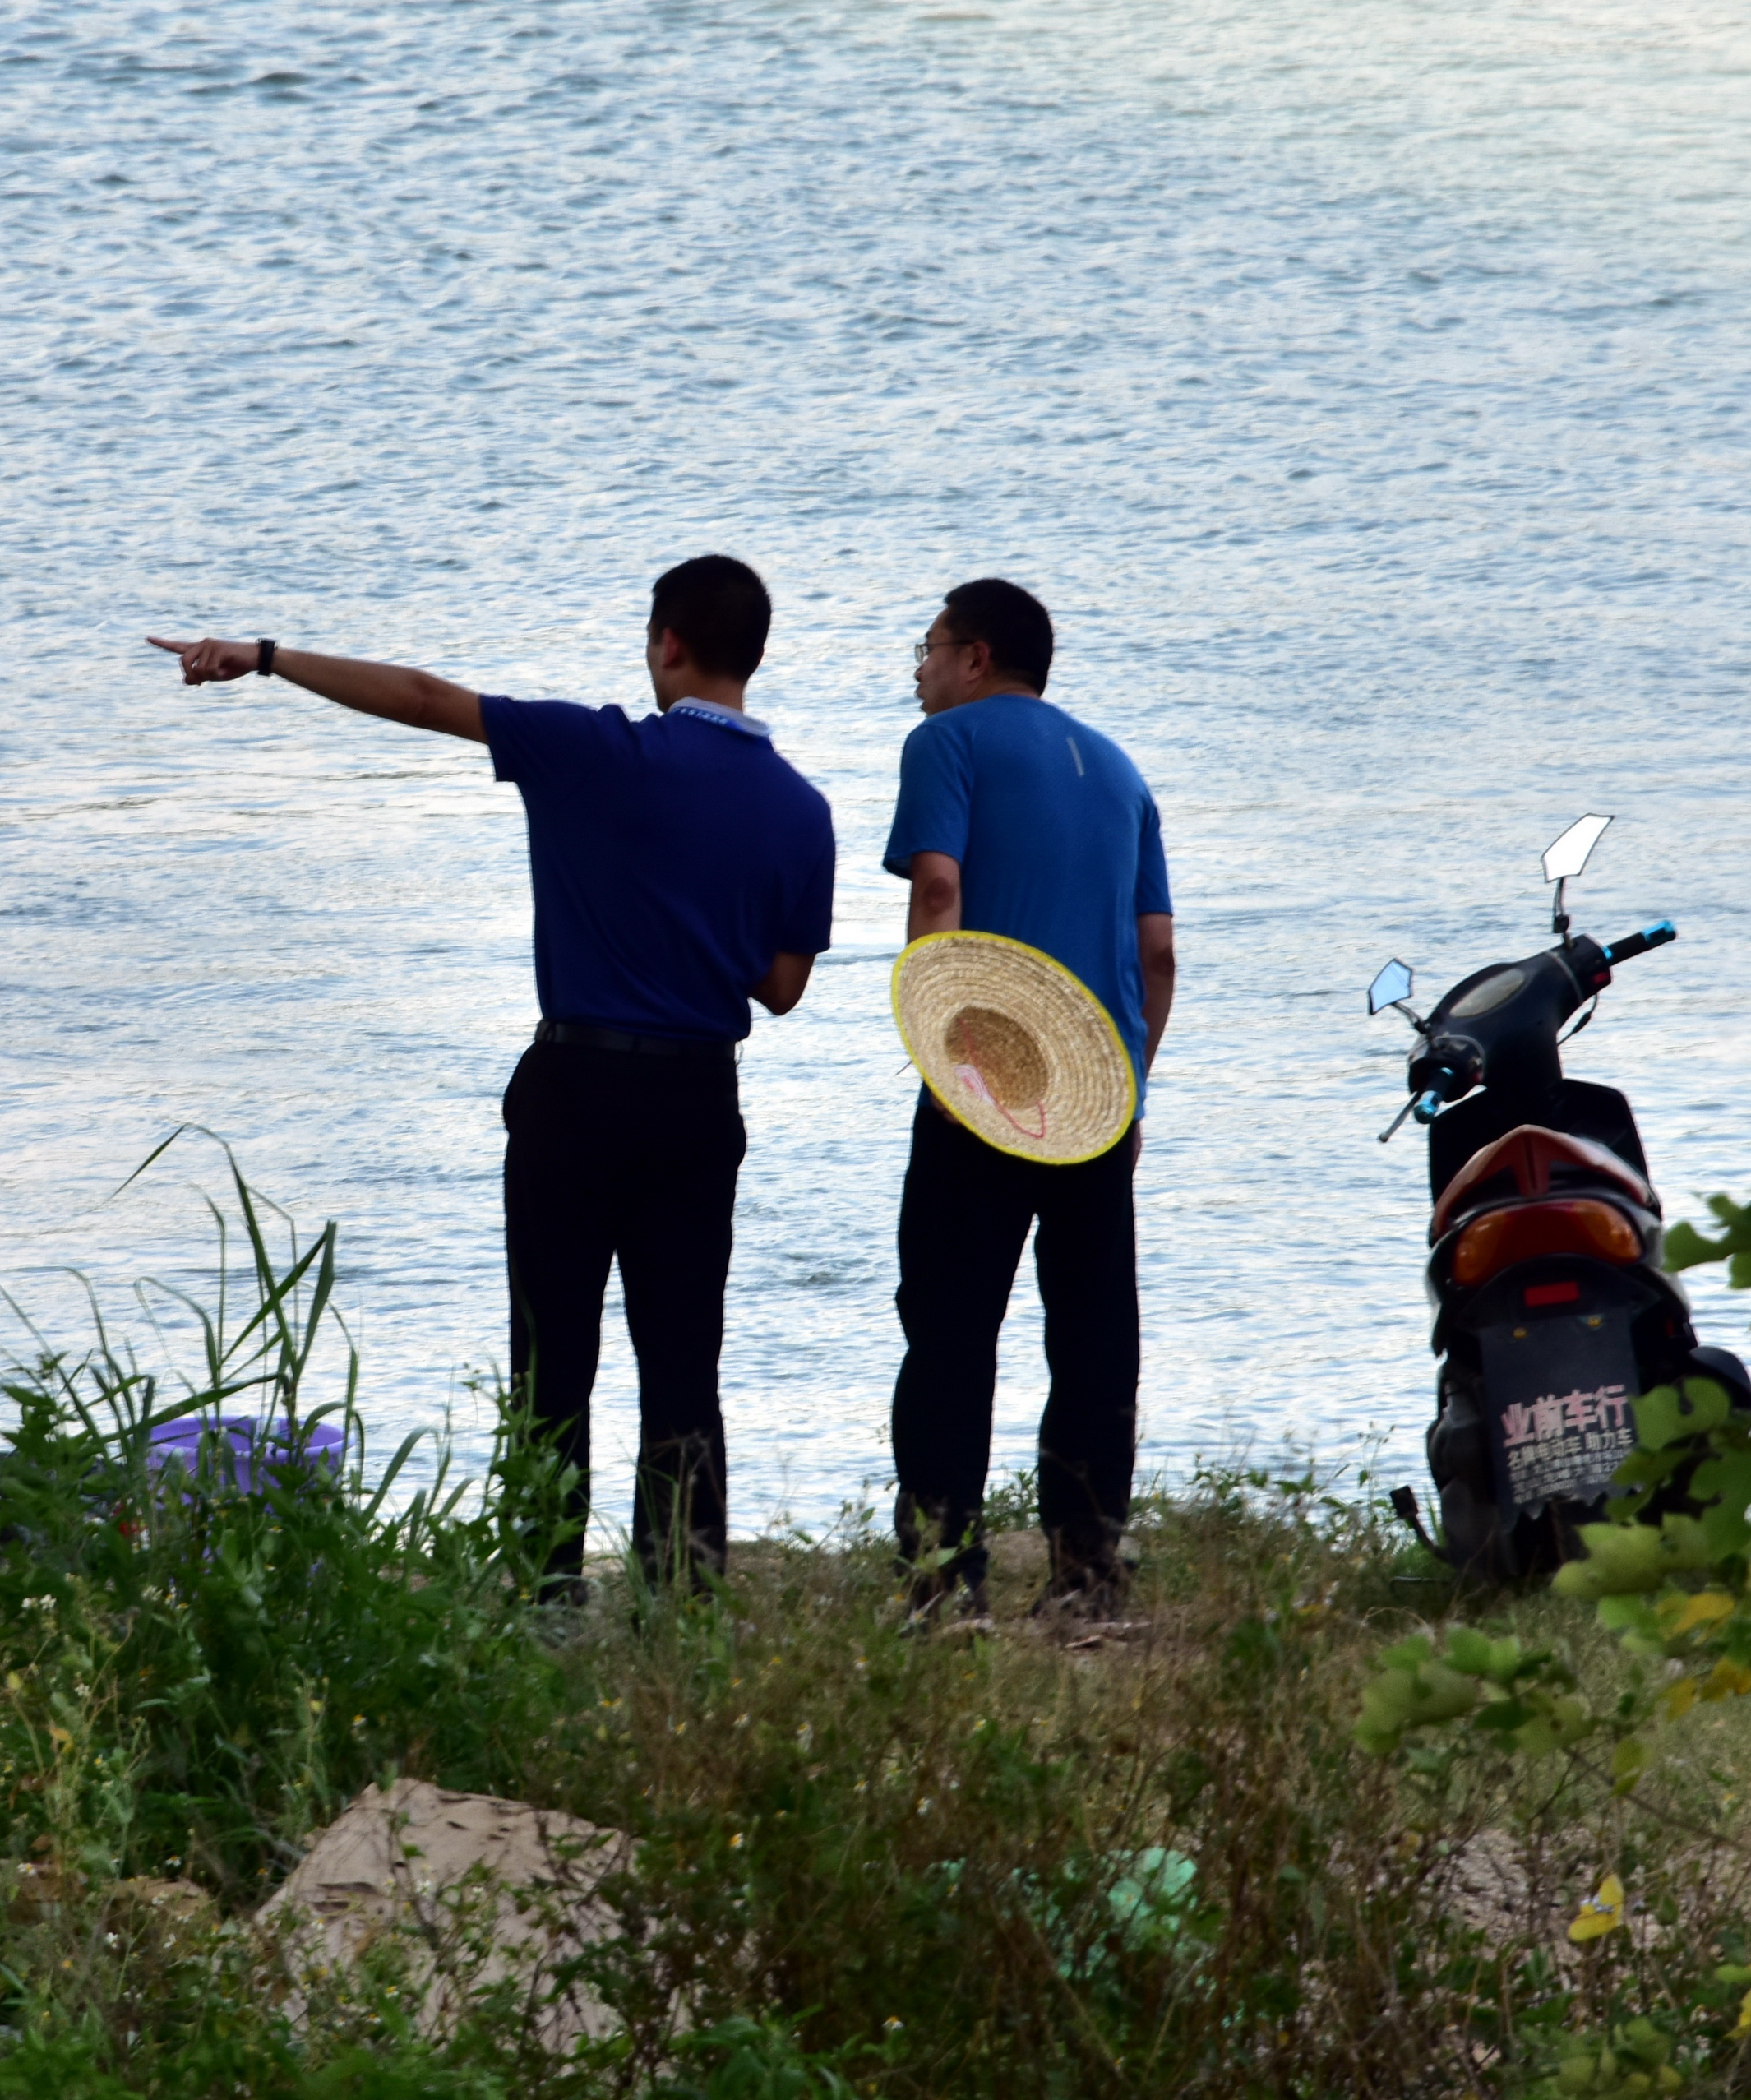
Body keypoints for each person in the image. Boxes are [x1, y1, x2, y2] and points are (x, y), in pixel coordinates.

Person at [147, 556, 834, 1594]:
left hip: (576, 1090)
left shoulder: (589, 748)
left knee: (551, 1358)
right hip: (698, 1097)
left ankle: (548, 1589)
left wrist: (270, 658)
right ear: (755, 653)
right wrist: (693, 924)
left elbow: (425, 698)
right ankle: (683, 1597)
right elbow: (779, 986)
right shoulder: (800, 806)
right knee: (682, 1363)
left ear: (666, 644)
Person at [880, 577, 1176, 1618]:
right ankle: (1088, 1579)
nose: (916, 670)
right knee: (1094, 1338)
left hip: (980, 1081)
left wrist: (935, 1033)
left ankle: (941, 1582)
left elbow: (938, 890)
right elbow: (1156, 953)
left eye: (925, 648)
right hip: (1093, 1090)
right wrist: (1128, 1092)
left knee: (949, 1332)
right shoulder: (1122, 770)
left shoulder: (944, 745)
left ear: (973, 656)